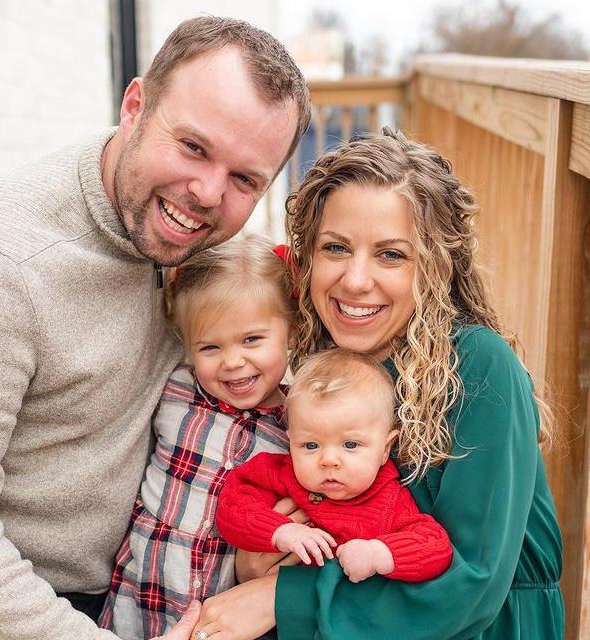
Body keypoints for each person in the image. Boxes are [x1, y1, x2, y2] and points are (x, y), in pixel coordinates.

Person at [0, 15, 309, 640]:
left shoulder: (188, 240)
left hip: (154, 580)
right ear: (135, 104)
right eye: (193, 146)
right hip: (10, 606)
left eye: (245, 178)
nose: (204, 192)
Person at [189, 129, 563, 640]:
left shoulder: (478, 366)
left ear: (433, 265)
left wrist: (280, 596)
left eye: (391, 255)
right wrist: (255, 564)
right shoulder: (319, 359)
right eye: (336, 248)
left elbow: (472, 583)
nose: (356, 280)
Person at [98, 234, 296, 639]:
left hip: (225, 609)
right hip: (142, 592)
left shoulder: (296, 424)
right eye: (210, 346)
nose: (233, 361)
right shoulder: (177, 387)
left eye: (252, 339)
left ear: (292, 330)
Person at [216, 348, 453, 584]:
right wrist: (280, 532)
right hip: (273, 614)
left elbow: (435, 546)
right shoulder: (280, 474)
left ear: (385, 449)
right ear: (291, 441)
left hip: (334, 614)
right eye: (310, 445)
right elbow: (233, 506)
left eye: (350, 444)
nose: (328, 460)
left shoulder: (388, 502)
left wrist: (379, 553)